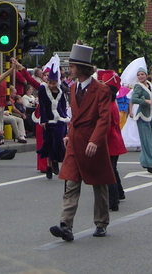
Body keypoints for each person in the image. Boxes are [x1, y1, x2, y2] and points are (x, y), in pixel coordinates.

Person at [49, 44, 116, 241]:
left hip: (92, 144)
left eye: (72, 66)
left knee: (99, 184)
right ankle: (65, 225)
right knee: (71, 184)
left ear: (82, 68)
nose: (69, 69)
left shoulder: (101, 90)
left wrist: (95, 140)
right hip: (75, 142)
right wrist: (70, 132)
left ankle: (101, 222)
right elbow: (75, 115)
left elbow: (104, 118)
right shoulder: (72, 88)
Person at [36, 55, 69, 179]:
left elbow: (63, 104)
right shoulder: (43, 89)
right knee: (49, 143)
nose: (51, 85)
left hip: (59, 120)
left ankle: (56, 161)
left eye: (53, 83)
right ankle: (49, 165)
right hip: (48, 120)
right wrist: (43, 120)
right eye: (49, 82)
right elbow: (43, 105)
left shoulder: (61, 90)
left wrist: (65, 118)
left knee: (58, 142)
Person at [98, 70, 127, 212]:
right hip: (115, 141)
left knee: (108, 171)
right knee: (113, 169)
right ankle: (120, 193)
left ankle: (113, 200)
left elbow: (106, 128)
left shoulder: (108, 107)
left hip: (110, 142)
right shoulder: (111, 103)